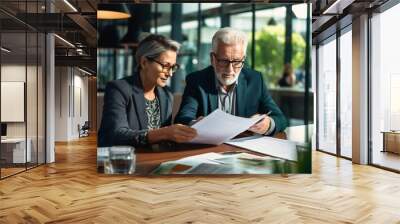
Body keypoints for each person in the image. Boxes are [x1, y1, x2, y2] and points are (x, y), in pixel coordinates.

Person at [175, 27, 287, 136]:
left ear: (243, 58)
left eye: (237, 61)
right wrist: (194, 124)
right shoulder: (196, 81)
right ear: (212, 58)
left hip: (243, 149)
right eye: (224, 61)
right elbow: (182, 119)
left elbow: (280, 118)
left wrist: (268, 124)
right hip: (208, 149)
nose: (230, 70)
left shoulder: (255, 80)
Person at [98, 34, 197, 147]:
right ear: (144, 62)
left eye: (173, 67)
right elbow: (116, 135)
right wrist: (163, 133)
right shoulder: (118, 89)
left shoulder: (166, 94)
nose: (169, 73)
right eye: (165, 66)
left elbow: (166, 142)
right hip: (126, 160)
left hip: (157, 159)